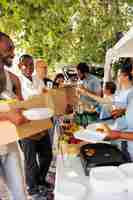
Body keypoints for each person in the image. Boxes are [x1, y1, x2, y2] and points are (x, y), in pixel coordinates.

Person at [18, 54, 53, 199]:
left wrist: (47, 96)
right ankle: (32, 189)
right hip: (26, 127)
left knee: (47, 155)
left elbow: (46, 96)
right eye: (25, 65)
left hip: (42, 124)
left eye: (31, 65)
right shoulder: (17, 82)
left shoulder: (38, 80)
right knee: (30, 161)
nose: (29, 67)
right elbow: (17, 104)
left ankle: (41, 181)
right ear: (20, 66)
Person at [0, 32, 27, 199]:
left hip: (9, 143)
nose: (13, 53)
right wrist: (7, 116)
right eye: (9, 48)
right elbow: (10, 114)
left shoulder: (15, 80)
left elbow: (23, 109)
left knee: (19, 194)